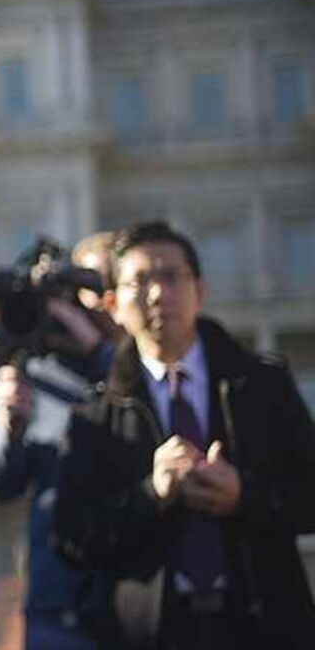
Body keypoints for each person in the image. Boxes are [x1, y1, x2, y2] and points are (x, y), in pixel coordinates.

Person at [54, 220, 315, 649]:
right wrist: (150, 494)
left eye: (171, 276)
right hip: (149, 633)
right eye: (140, 280)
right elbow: (72, 538)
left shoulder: (261, 385)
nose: (158, 293)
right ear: (113, 304)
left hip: (263, 622)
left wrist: (243, 495)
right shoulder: (95, 415)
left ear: (200, 290)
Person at [0, 232, 123, 650]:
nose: (82, 308)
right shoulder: (37, 372)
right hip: (57, 602)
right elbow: (3, 481)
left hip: (134, 592)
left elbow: (144, 406)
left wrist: (98, 350)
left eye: (90, 292)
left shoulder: (142, 364)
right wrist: (11, 426)